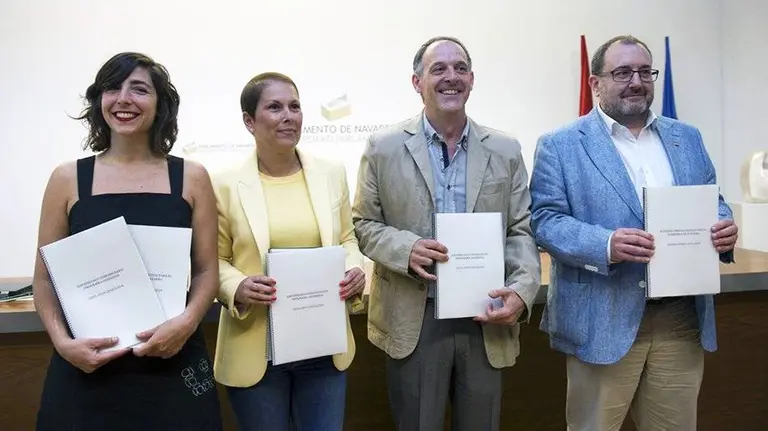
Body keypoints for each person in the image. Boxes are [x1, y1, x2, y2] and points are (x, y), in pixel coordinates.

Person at [529, 35, 739, 431]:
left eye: (645, 72)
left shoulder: (687, 138)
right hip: (603, 318)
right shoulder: (561, 145)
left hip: (680, 320)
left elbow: (715, 201)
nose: (636, 81)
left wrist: (724, 227)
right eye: (622, 72)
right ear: (595, 83)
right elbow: (544, 221)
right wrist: (605, 244)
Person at [352, 36, 541, 431]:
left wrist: (522, 292)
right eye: (438, 69)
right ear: (417, 81)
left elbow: (521, 230)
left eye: (459, 68)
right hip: (415, 316)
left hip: (485, 315)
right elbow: (364, 224)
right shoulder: (383, 147)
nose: (450, 77)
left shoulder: (505, 150)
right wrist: (407, 249)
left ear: (472, 80)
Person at [32, 52, 223, 430]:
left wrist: (185, 324)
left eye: (139, 89)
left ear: (160, 104)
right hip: (87, 365)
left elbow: (205, 271)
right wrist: (61, 343)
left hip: (173, 359)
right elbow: (44, 277)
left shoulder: (192, 177)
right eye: (112, 88)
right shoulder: (67, 179)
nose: (123, 99)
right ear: (98, 100)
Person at [212, 72, 366, 431]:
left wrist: (354, 267)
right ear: (249, 121)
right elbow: (213, 261)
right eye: (275, 107)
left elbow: (347, 238)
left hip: (322, 346)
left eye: (294, 106)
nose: (288, 115)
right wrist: (237, 286)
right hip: (256, 346)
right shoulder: (222, 184)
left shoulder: (330, 172)